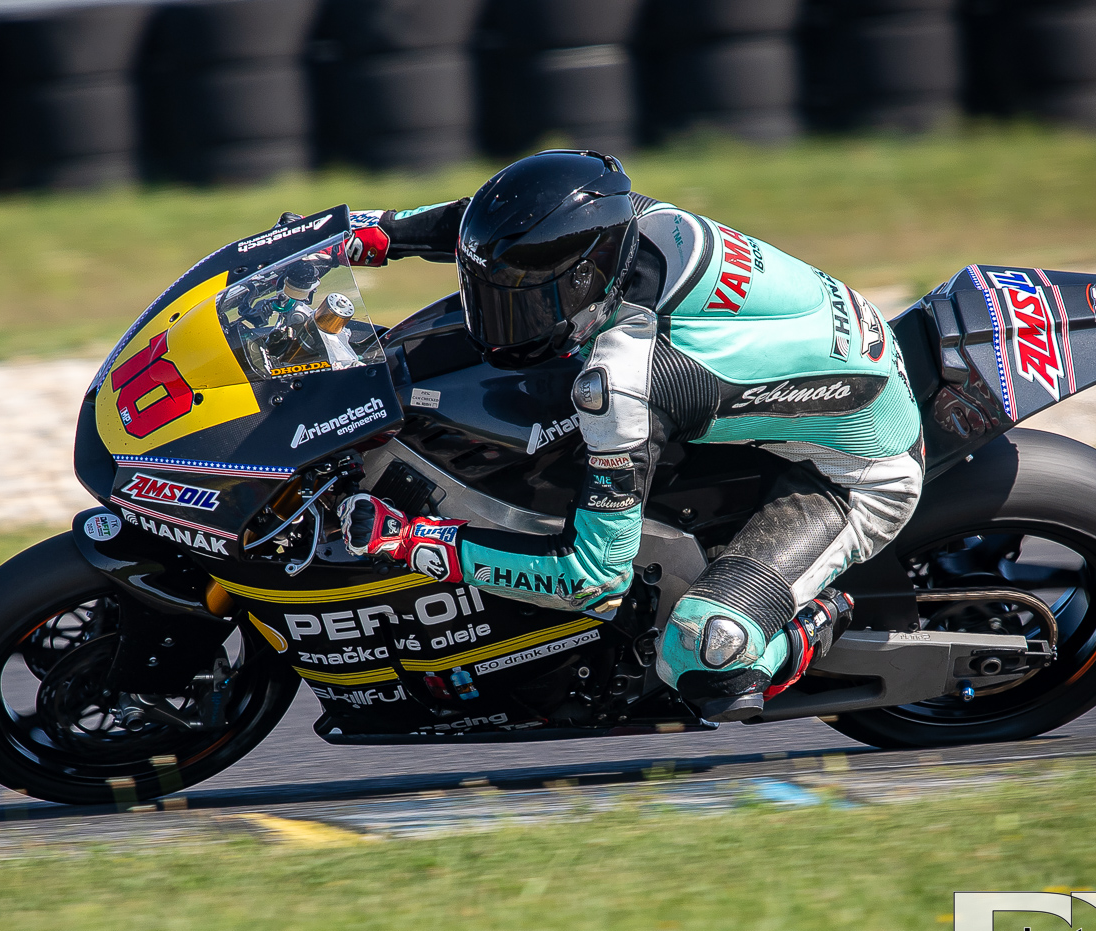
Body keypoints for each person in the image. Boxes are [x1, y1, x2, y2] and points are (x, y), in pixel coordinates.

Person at [336, 150, 923, 719]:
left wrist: (412, 541)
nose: (499, 322)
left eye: (526, 304)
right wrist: (371, 231)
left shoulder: (627, 383)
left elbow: (593, 579)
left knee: (701, 647)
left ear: (585, 280)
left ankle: (807, 625)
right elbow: (503, 231)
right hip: (833, 369)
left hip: (856, 476)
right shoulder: (623, 219)